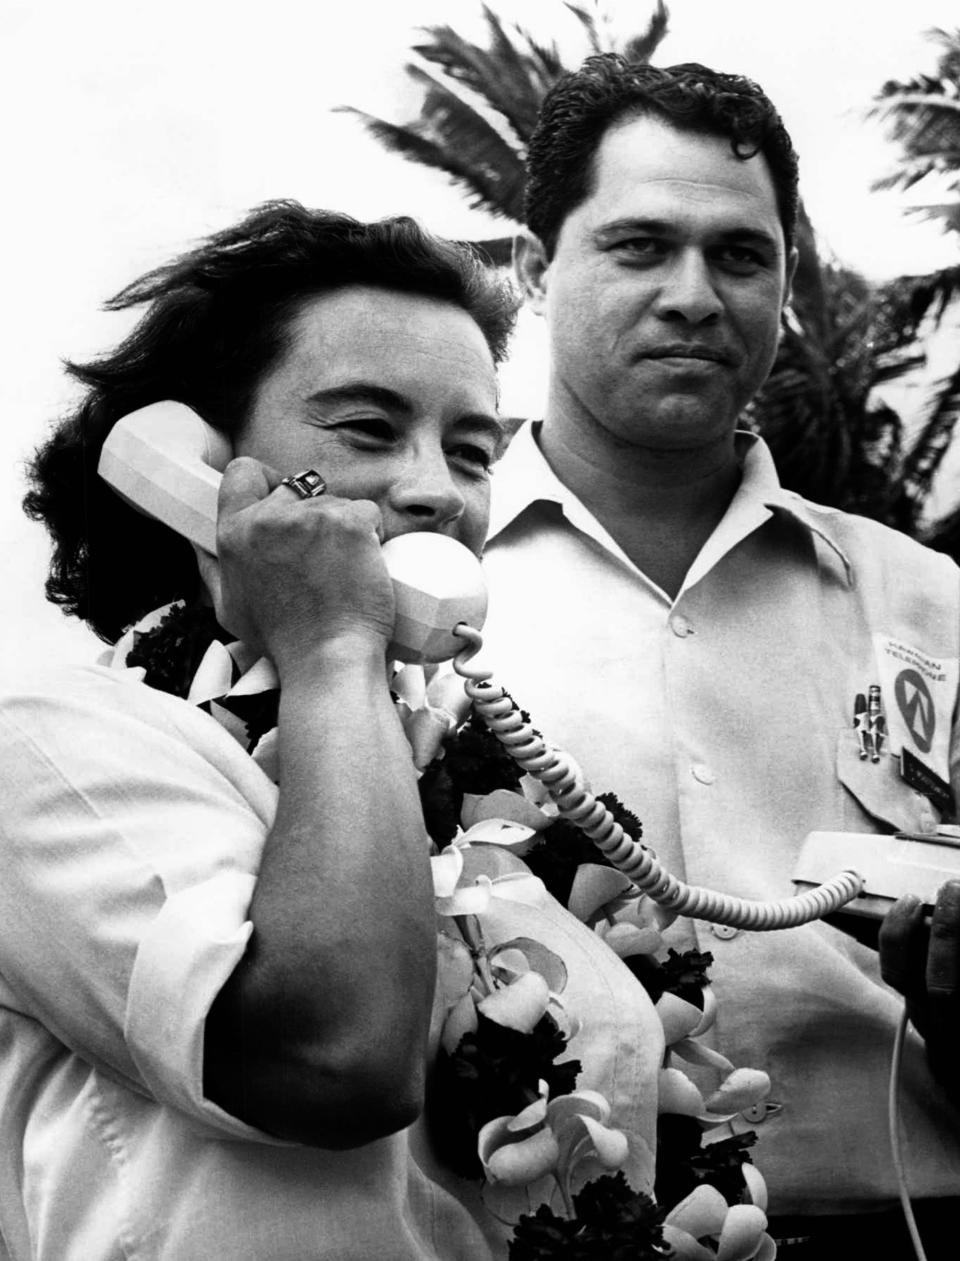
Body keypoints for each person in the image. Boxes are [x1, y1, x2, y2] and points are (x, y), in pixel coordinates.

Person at [5, 203, 672, 1259]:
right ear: (202, 466)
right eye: (367, 429)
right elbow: (339, 1054)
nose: (435, 490)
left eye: (471, 450)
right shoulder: (47, 742)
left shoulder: (502, 805)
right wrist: (329, 648)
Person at [478, 55, 960, 1257]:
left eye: (740, 255)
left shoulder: (926, 598)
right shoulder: (417, 586)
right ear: (539, 271)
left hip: (899, 1222)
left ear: (787, 284)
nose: (694, 293)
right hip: (534, 1227)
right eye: (639, 245)